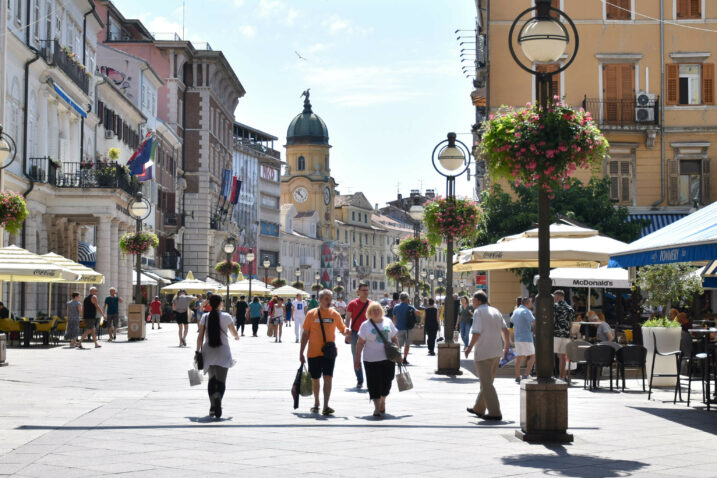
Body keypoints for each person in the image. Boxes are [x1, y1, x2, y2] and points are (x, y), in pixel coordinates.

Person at [299, 289, 349, 415]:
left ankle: (326, 405)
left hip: (329, 353)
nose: (329, 302)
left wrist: (347, 331)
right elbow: (305, 334)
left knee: (328, 378)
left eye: (330, 299)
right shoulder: (311, 314)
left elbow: (342, 329)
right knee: (315, 379)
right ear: (320, 300)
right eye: (326, 299)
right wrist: (301, 352)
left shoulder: (335, 314)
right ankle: (316, 403)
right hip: (313, 352)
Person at [465, 291, 509, 421]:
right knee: (487, 382)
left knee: (487, 384)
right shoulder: (496, 310)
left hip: (483, 352)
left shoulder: (478, 312)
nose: (472, 303)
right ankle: (479, 408)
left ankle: (495, 412)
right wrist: (506, 347)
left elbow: (476, 333)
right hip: (496, 351)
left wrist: (469, 347)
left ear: (478, 301)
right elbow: (505, 331)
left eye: (473, 300)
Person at [195, 294, 240, 419]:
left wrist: (197, 351)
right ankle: (219, 397)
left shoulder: (205, 317)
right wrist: (236, 337)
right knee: (221, 381)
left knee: (211, 380)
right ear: (220, 303)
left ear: (209, 304)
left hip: (208, 351)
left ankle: (212, 407)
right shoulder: (226, 316)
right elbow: (233, 332)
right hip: (223, 351)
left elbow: (200, 336)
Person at [355, 302, 401, 418]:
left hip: (388, 358)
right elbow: (360, 343)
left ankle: (382, 399)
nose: (376, 312)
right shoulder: (365, 325)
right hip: (370, 360)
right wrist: (357, 358)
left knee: (387, 382)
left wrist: (399, 354)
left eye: (378, 309)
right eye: (373, 310)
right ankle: (376, 407)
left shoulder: (388, 321)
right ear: (369, 313)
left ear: (382, 311)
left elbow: (394, 338)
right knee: (373, 383)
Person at [345, 282, 372, 388]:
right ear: (358, 292)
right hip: (355, 334)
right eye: (364, 290)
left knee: (370, 357)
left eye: (367, 290)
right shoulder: (352, 304)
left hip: (370, 335)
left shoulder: (372, 304)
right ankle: (360, 379)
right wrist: (347, 333)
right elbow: (348, 319)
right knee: (356, 357)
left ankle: (370, 379)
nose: (366, 292)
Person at [511, 297, 536, 383]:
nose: (531, 304)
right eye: (530, 303)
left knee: (519, 357)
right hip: (526, 337)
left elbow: (512, 320)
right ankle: (526, 374)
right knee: (533, 356)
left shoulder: (516, 311)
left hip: (517, 337)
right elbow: (534, 321)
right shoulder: (527, 311)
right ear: (527, 303)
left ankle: (517, 377)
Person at [553, 290, 575, 380]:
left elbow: (552, 320)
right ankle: (561, 377)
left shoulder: (555, 306)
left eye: (554, 297)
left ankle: (551, 375)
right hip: (566, 336)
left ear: (557, 297)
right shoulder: (570, 308)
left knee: (551, 355)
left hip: (556, 334)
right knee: (562, 357)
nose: (554, 299)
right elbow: (571, 324)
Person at [391, 292, 415, 365]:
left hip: (398, 328)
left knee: (399, 345)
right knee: (407, 345)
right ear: (407, 299)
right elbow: (418, 313)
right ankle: (404, 359)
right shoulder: (409, 307)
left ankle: (398, 359)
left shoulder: (396, 307)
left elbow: (394, 318)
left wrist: (395, 326)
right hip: (408, 329)